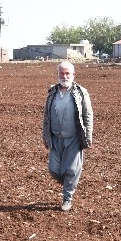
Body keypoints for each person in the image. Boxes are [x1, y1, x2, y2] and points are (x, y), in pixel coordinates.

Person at [42, 60, 93, 211]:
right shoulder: (52, 93)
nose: (64, 76)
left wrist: (88, 136)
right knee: (53, 169)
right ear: (57, 75)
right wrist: (45, 136)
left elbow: (88, 115)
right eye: (61, 73)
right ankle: (69, 182)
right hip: (56, 138)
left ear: (73, 75)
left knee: (71, 170)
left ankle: (67, 198)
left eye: (67, 73)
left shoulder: (81, 93)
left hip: (73, 139)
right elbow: (46, 116)